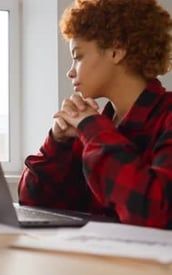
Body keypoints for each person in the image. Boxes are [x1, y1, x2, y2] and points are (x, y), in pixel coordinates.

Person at [18, 0, 172, 229]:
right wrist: (57, 143)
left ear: (116, 51)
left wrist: (93, 130)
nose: (71, 71)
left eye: (78, 56)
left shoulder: (165, 116)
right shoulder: (95, 127)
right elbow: (32, 202)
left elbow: (154, 214)